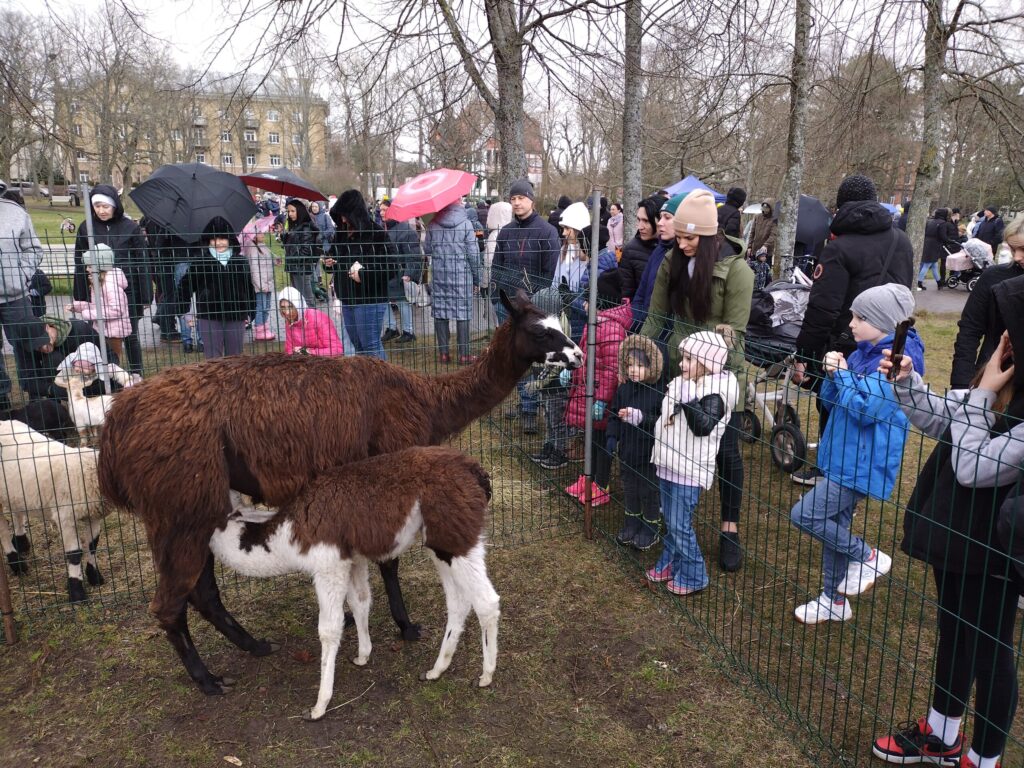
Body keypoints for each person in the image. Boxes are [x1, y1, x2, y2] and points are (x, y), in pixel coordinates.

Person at [873, 278, 1024, 768]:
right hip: (959, 539)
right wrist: (907, 383)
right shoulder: (999, 380)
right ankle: (942, 734)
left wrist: (983, 394)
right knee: (954, 630)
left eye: (1011, 328)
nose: (1002, 336)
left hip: (995, 552)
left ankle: (984, 758)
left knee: (990, 650)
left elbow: (972, 467)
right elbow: (945, 420)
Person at [789, 284, 922, 624]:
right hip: (842, 455)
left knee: (806, 516)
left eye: (860, 317)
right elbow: (831, 403)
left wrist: (844, 374)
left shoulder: (893, 362)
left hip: (861, 462)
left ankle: (869, 557)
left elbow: (867, 411)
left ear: (884, 321)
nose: (851, 324)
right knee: (835, 525)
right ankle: (833, 599)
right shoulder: (864, 351)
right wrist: (832, 374)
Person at [641, 188, 753, 572]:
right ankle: (677, 517)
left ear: (709, 237)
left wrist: (707, 364)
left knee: (727, 451)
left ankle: (729, 527)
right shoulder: (672, 261)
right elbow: (657, 316)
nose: (681, 244)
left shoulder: (738, 272)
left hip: (722, 373)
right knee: (677, 439)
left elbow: (734, 333)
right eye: (679, 236)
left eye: (690, 238)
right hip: (682, 366)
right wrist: (639, 350)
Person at [791, 173, 914, 485]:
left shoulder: (839, 247)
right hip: (890, 339)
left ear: (841, 205)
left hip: (847, 339)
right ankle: (858, 468)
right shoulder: (901, 240)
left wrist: (804, 352)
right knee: (875, 405)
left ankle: (830, 472)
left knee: (836, 402)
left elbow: (823, 308)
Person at [647, 331, 738, 595]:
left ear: (707, 364)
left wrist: (689, 400)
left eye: (688, 359)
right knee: (671, 521)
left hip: (689, 469)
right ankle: (671, 560)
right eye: (682, 358)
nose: (681, 364)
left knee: (679, 524)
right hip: (669, 462)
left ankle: (695, 574)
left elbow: (703, 427)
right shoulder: (683, 382)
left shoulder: (716, 393)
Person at [491, 178, 560, 431]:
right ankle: (524, 401)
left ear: (531, 199)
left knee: (531, 356)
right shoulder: (506, 232)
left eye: (521, 198)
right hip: (507, 305)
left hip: (532, 309)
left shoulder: (547, 232)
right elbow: (497, 266)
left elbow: (549, 273)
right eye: (513, 198)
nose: (517, 202)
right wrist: (496, 296)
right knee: (513, 356)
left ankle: (531, 408)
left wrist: (536, 304)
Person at [72, 185, 152, 377]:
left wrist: (145, 295)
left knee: (130, 335)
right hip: (96, 290)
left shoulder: (131, 228)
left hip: (127, 290)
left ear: (115, 205)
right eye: (97, 206)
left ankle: (136, 372)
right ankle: (107, 372)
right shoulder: (86, 227)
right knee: (100, 334)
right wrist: (81, 295)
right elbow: (79, 261)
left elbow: (143, 262)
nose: (101, 210)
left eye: (105, 206)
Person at [563, 295, 633, 506]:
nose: (584, 305)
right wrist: (572, 371)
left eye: (588, 300)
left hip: (603, 399)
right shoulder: (596, 323)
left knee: (602, 443)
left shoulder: (612, 328)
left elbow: (612, 370)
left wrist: (602, 400)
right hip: (590, 393)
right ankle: (588, 477)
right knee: (591, 439)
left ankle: (601, 485)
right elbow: (586, 356)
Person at [950, 213, 1024, 388]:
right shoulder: (994, 277)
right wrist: (961, 383)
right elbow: (970, 328)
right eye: (1013, 249)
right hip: (991, 376)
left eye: (1023, 249)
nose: (1017, 257)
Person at [606, 335, 664, 551]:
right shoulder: (624, 389)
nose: (633, 370)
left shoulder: (658, 393)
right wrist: (612, 437)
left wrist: (641, 418)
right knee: (630, 489)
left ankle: (650, 527)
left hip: (648, 454)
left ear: (652, 367)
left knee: (648, 491)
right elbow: (614, 414)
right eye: (630, 365)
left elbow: (662, 422)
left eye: (640, 366)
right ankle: (632, 522)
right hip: (628, 452)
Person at [327, 189, 396, 360]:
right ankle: (365, 377)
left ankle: (385, 377)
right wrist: (329, 262)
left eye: (345, 215)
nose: (343, 220)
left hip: (369, 299)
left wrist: (364, 275)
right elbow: (333, 256)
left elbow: (392, 266)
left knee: (371, 346)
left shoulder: (376, 234)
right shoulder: (341, 234)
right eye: (341, 215)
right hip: (347, 298)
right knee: (358, 347)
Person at [178, 217, 255, 359]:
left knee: (235, 358)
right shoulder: (201, 262)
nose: (218, 243)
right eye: (214, 239)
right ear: (208, 240)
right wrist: (186, 311)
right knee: (213, 360)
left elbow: (248, 288)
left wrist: (250, 312)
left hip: (236, 315)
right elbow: (185, 286)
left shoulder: (240, 262)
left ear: (230, 239)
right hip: (209, 316)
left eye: (222, 238)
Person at [425, 199, 479, 364]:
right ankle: (464, 355)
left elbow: (427, 249)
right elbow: (474, 255)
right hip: (461, 276)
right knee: (463, 313)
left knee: (440, 312)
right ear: (458, 203)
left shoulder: (432, 224)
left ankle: (444, 354)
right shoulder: (466, 224)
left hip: (440, 276)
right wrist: (476, 278)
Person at [66, 243, 131, 360]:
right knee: (102, 360)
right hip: (104, 329)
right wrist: (77, 306)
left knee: (112, 362)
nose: (87, 269)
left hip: (113, 332)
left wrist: (88, 314)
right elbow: (98, 306)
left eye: (90, 266)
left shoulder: (110, 285)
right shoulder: (100, 283)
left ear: (100, 266)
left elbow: (116, 310)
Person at [631, 193, 685, 331]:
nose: (660, 222)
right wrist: (638, 324)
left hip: (668, 335)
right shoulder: (659, 250)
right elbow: (641, 292)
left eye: (667, 217)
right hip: (648, 328)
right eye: (660, 217)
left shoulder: (685, 255)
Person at [380, 198, 421, 345]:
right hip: (385, 272)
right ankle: (391, 328)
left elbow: (413, 254)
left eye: (384, 210)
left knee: (402, 301)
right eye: (380, 210)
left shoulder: (405, 230)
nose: (381, 212)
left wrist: (409, 273)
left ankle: (408, 331)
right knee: (382, 299)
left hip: (400, 273)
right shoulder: (383, 228)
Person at [277, 286, 343, 356]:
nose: (287, 312)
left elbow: (337, 350)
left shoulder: (318, 318)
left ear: (298, 305)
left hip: (324, 359)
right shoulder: (289, 322)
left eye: (290, 307)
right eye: (283, 307)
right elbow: (289, 350)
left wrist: (308, 352)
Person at [618, 196, 661, 302]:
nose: (640, 227)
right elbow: (627, 295)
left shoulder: (678, 247)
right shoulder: (630, 250)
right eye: (639, 220)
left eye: (646, 221)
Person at [241, 215, 276, 341]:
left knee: (267, 307)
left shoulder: (263, 246)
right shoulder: (252, 248)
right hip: (261, 284)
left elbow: (267, 261)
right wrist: (260, 285)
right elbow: (254, 268)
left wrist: (275, 261)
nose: (263, 234)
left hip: (268, 282)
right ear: (254, 235)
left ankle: (265, 327)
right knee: (261, 307)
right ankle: (259, 330)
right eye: (260, 233)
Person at [280, 198, 320, 306]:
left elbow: (306, 250)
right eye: (288, 211)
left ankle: (311, 316)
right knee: (298, 298)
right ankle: (303, 316)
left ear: (300, 211)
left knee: (306, 298)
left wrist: (294, 259)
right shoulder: (295, 226)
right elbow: (292, 246)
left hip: (301, 267)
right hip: (294, 266)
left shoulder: (305, 227)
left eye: (293, 211)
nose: (290, 214)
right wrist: (285, 237)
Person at [919, 207, 961, 290]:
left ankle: (939, 283)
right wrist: (951, 241)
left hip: (927, 243)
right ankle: (919, 282)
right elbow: (943, 236)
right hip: (935, 245)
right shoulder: (943, 223)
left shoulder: (930, 221)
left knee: (934, 265)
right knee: (927, 265)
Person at [484, 201, 513, 298]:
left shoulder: (495, 235)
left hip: (497, 282)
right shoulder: (511, 232)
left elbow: (489, 261)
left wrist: (485, 284)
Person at [748, 200, 777, 265]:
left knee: (765, 270)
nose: (765, 210)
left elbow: (773, 235)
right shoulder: (757, 217)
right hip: (755, 250)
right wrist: (749, 247)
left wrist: (765, 245)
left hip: (766, 252)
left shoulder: (774, 220)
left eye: (767, 208)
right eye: (764, 208)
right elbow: (752, 233)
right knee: (752, 269)